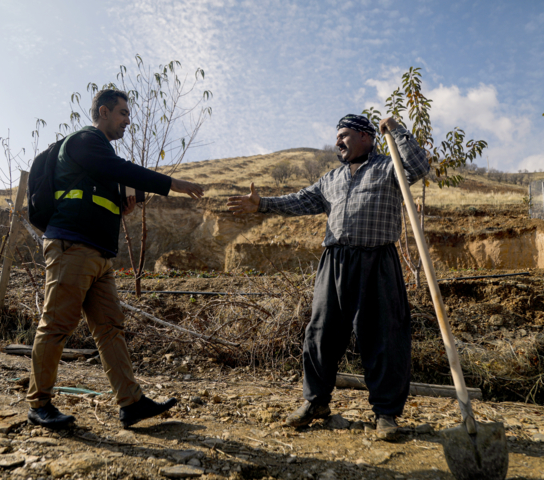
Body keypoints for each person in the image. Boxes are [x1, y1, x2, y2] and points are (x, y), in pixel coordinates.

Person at [227, 114, 429, 440]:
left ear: (366, 137)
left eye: (345, 135)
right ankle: (316, 402)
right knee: (320, 333)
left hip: (377, 260)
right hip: (334, 261)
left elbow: (419, 167)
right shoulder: (331, 179)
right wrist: (262, 205)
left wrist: (398, 130)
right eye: (337, 136)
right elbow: (298, 201)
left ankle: (386, 414)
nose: (338, 142)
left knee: (384, 338)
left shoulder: (388, 168)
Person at [27, 89, 205, 429]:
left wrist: (121, 205)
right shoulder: (85, 141)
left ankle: (131, 403)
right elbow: (121, 169)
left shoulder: (98, 159)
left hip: (98, 255)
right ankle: (39, 404)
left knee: (110, 329)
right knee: (57, 325)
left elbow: (101, 196)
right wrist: (174, 184)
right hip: (72, 248)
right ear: (104, 112)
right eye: (123, 113)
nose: (128, 120)